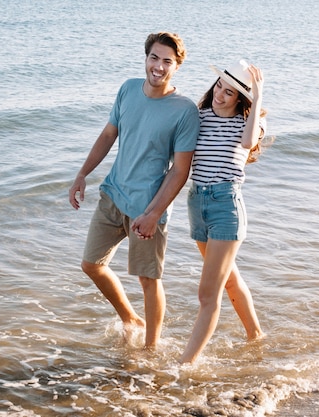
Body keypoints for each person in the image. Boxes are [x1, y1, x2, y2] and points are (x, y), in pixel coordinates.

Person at [69, 32, 200, 350]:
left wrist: (154, 213)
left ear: (177, 66)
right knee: (91, 264)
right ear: (146, 58)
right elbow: (108, 134)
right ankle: (130, 318)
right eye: (154, 57)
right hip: (113, 194)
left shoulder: (184, 111)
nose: (158, 66)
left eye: (167, 61)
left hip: (147, 207)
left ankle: (151, 349)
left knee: (148, 281)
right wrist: (82, 174)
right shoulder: (128, 89)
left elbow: (180, 170)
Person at [179, 59, 268, 364]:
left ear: (240, 98)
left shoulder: (250, 121)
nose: (220, 94)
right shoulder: (199, 116)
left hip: (226, 207)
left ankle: (184, 366)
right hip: (197, 203)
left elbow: (248, 141)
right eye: (219, 86)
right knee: (229, 280)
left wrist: (257, 98)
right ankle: (256, 337)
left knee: (207, 296)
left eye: (230, 92)